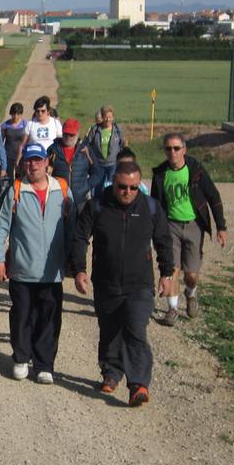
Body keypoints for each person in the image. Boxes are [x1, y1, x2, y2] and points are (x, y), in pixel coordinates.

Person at [71, 161, 173, 407]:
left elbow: (164, 240)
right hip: (106, 283)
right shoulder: (97, 206)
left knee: (135, 330)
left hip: (139, 284)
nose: (127, 192)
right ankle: (111, 372)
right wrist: (80, 270)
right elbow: (80, 237)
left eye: (133, 187)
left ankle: (138, 384)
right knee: (109, 330)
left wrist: (166, 273)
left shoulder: (150, 208)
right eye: (122, 186)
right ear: (113, 183)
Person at [0, 144, 74, 384]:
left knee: (49, 319)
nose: (33, 165)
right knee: (21, 317)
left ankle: (44, 364)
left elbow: (73, 228)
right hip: (22, 269)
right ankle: (21, 358)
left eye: (38, 160)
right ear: (23, 163)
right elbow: (2, 226)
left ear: (47, 162)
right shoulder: (16, 190)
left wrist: (72, 261)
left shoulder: (63, 189)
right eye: (29, 160)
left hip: (52, 271)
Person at [150, 133, 228, 326]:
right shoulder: (160, 174)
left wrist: (221, 226)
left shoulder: (196, 170)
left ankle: (191, 292)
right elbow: (155, 205)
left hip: (194, 225)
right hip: (171, 226)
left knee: (191, 274)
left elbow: (213, 196)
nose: (172, 152)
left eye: (176, 148)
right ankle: (172, 309)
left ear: (184, 150)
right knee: (172, 268)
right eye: (168, 148)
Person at [47, 118, 97, 206]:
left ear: (78, 133)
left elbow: (97, 173)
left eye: (71, 134)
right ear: (62, 132)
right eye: (66, 134)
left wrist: (85, 187)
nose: (68, 137)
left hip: (80, 201)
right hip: (58, 201)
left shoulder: (86, 150)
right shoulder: (53, 150)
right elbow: (45, 174)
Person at [85, 105, 125, 190]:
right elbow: (87, 145)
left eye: (110, 117)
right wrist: (91, 160)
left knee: (112, 188)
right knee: (98, 189)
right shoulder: (95, 129)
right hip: (99, 164)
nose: (108, 119)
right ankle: (97, 203)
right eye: (106, 117)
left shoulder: (118, 130)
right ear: (102, 117)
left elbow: (122, 145)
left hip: (113, 164)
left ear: (113, 117)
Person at [0, 103, 28, 178]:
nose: (15, 116)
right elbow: (0, 143)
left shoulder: (26, 125)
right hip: (8, 155)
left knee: (22, 176)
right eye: (13, 114)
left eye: (18, 114)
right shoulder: (5, 126)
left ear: (21, 114)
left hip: (22, 155)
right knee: (10, 178)